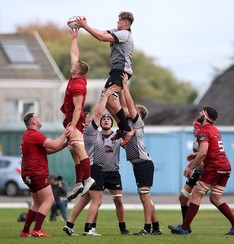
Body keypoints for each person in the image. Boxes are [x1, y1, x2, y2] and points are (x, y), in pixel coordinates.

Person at [168, 106, 234, 235]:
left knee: (196, 195)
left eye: (201, 112)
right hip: (225, 167)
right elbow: (209, 151)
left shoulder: (204, 131)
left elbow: (203, 153)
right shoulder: (215, 129)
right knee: (215, 198)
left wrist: (190, 168)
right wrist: (195, 157)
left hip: (214, 167)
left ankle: (185, 228)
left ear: (205, 115)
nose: (199, 113)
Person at [76, 12, 135, 146]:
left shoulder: (124, 34)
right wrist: (86, 26)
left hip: (121, 71)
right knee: (106, 100)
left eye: (120, 20)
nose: (117, 22)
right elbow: (99, 32)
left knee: (111, 99)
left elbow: (102, 38)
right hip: (115, 71)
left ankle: (127, 129)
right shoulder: (117, 31)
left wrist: (85, 26)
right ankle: (122, 127)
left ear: (126, 23)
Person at [63, 87, 116, 237]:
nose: (91, 118)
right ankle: (88, 229)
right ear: (83, 122)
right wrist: (105, 96)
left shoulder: (84, 133)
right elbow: (98, 113)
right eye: (87, 118)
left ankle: (69, 225)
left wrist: (102, 97)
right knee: (97, 201)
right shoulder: (89, 131)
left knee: (84, 200)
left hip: (91, 167)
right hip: (94, 168)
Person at [120, 73, 162, 235]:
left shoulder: (138, 122)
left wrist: (124, 84)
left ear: (139, 114)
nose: (130, 110)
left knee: (144, 197)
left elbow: (128, 104)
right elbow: (124, 105)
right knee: (146, 197)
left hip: (143, 164)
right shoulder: (128, 123)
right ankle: (156, 227)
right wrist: (123, 87)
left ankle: (147, 229)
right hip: (140, 164)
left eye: (134, 110)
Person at [19, 113, 69, 237]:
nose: (40, 119)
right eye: (38, 117)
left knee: (37, 203)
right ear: (34, 122)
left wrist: (64, 144)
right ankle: (37, 230)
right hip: (37, 173)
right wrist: (66, 133)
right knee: (49, 199)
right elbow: (54, 144)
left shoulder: (27, 135)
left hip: (27, 173)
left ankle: (25, 231)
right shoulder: (34, 135)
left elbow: (47, 150)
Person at [60, 28, 94, 201]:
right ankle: (79, 183)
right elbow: (74, 54)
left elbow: (79, 109)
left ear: (79, 71)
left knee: (79, 148)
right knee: (73, 150)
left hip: (75, 119)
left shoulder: (78, 86)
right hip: (69, 119)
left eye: (74, 66)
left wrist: (73, 126)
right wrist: (75, 38)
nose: (72, 65)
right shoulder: (75, 77)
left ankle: (88, 178)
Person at [92, 114, 130, 235]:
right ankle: (91, 228)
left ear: (111, 123)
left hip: (113, 173)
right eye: (104, 119)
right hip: (98, 172)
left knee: (118, 201)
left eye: (108, 119)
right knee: (97, 202)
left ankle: (123, 228)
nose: (106, 120)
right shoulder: (95, 136)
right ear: (100, 123)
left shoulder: (117, 136)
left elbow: (128, 145)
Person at [176, 119, 203, 233]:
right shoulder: (195, 143)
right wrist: (189, 167)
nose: (193, 130)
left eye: (196, 128)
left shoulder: (205, 141)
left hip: (206, 173)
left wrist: (190, 166)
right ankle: (186, 226)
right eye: (193, 128)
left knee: (194, 199)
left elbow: (203, 160)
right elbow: (198, 161)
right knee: (183, 197)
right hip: (197, 172)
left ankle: (184, 227)